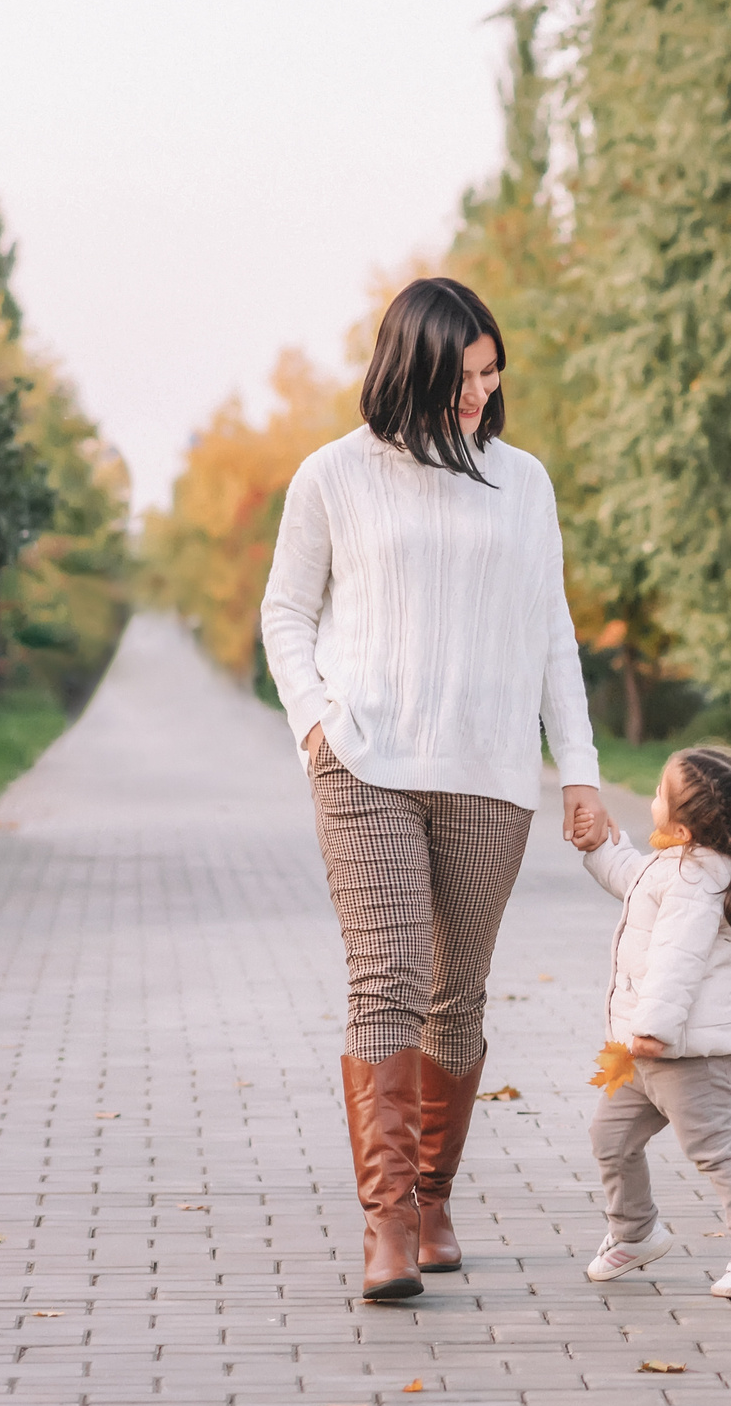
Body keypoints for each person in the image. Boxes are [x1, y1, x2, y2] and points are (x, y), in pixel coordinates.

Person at [261, 276, 614, 1301]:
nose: (480, 393)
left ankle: (432, 1194)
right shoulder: (333, 475)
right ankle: (385, 1227)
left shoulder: (524, 481)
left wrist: (578, 772)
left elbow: (553, 632)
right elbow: (288, 612)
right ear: (408, 369)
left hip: (489, 771)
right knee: (387, 984)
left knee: (455, 1004)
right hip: (364, 762)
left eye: (492, 372)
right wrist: (316, 727)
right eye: (462, 375)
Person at [579, 745, 731, 1298]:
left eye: (658, 793)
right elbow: (636, 879)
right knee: (611, 1137)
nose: (651, 799)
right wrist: (605, 845)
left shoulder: (700, 878)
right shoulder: (684, 863)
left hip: (680, 1051)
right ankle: (636, 1231)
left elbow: (678, 958)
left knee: (713, 1147)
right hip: (647, 1048)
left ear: (685, 819)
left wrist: (652, 1029)